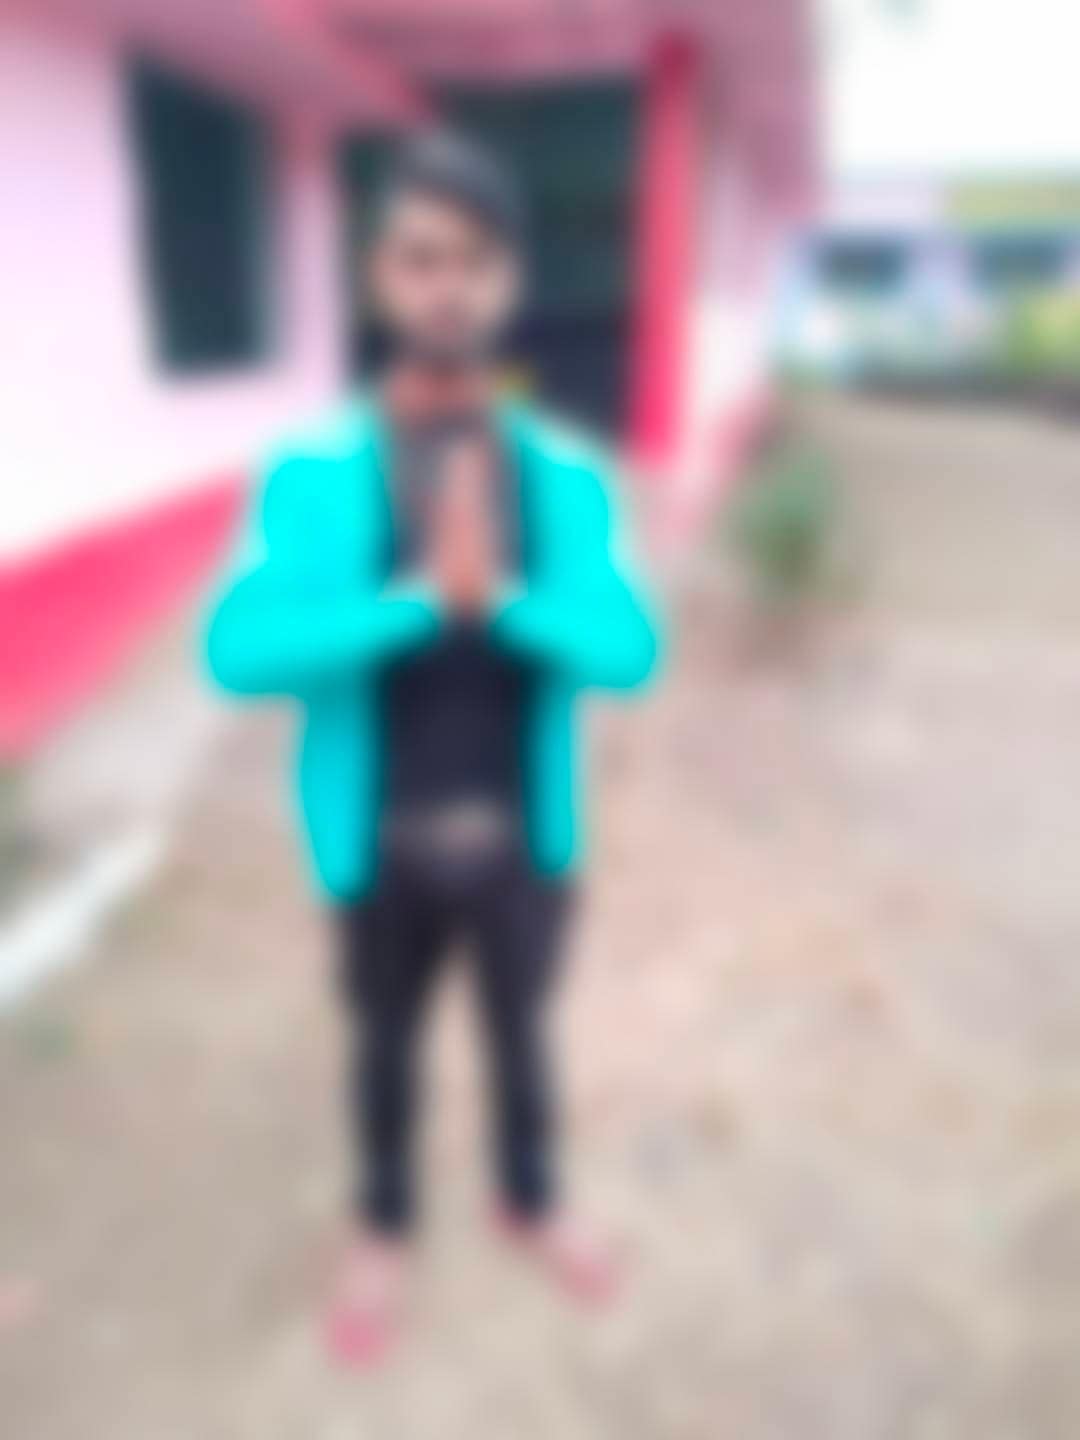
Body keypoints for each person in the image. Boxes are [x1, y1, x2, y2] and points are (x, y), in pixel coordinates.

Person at [204, 132, 661, 1364]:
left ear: (509, 282)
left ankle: (530, 1197)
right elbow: (235, 650)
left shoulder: (561, 474)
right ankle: (383, 1224)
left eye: (474, 260)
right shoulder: (312, 471)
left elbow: (631, 650)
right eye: (420, 258)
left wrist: (501, 599)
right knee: (385, 1048)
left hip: (523, 842)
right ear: (378, 275)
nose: (447, 286)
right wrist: (411, 605)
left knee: (524, 1039)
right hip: (376, 846)